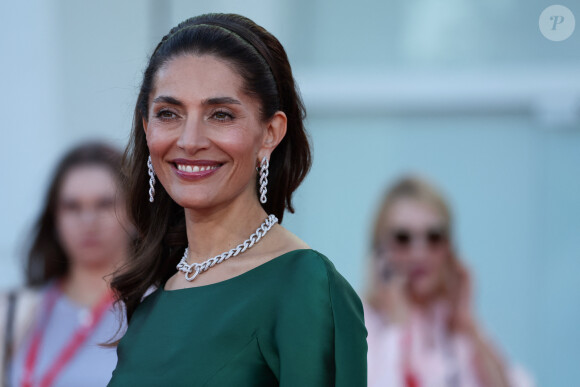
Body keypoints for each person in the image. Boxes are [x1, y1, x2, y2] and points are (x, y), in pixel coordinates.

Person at [107, 12, 367, 387]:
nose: (190, 140)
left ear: (270, 133)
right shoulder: (151, 307)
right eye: (169, 113)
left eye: (220, 115)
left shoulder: (304, 287)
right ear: (148, 129)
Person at [365, 176, 533, 387]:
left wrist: (467, 322)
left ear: (450, 249)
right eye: (403, 238)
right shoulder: (361, 322)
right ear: (379, 251)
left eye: (434, 237)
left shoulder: (456, 325)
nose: (419, 253)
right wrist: (398, 327)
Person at [0, 142, 133, 387]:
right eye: (72, 206)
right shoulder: (12, 311)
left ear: (134, 212)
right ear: (54, 218)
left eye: (104, 204)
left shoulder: (157, 306)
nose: (88, 221)